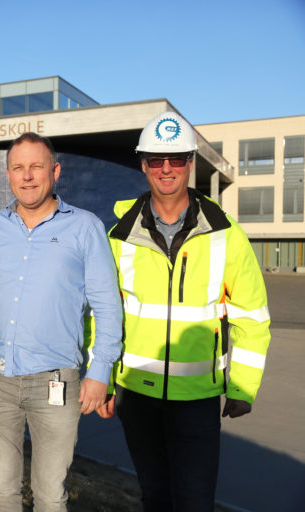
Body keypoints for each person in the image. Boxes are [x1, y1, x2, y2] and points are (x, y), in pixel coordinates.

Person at [102, 111, 271, 511]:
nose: (166, 169)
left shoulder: (226, 233)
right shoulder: (118, 234)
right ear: (143, 165)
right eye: (156, 160)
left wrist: (242, 386)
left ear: (190, 164)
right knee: (155, 497)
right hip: (135, 394)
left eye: (176, 159)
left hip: (198, 399)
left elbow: (251, 316)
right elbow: (102, 314)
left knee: (195, 501)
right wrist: (104, 379)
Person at [0, 132, 123, 512]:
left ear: (54, 171)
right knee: (3, 489)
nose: (27, 177)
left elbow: (107, 305)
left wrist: (101, 371)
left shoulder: (85, 227)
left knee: (50, 494)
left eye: (36, 167)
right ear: (8, 174)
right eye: (18, 168)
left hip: (55, 382)